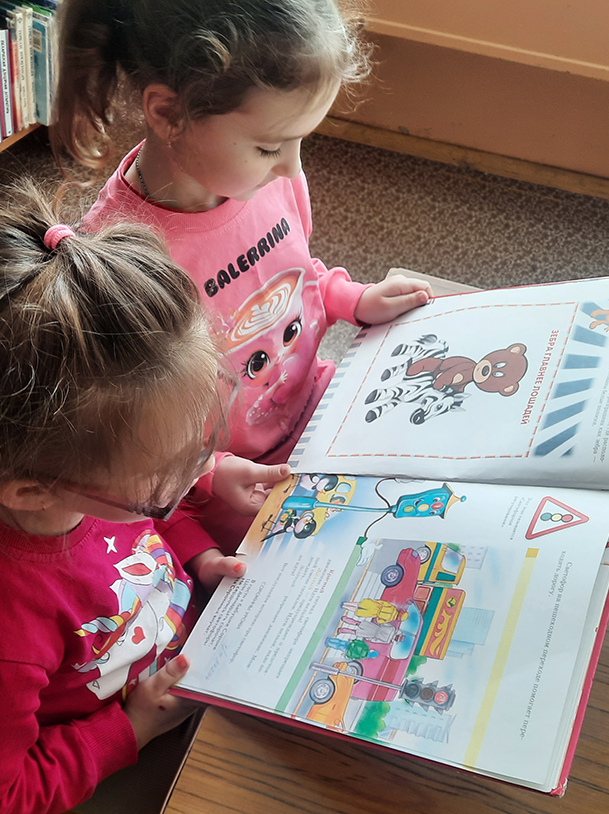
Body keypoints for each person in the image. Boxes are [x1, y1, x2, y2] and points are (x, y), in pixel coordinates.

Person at [0, 185, 248, 814]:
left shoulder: (72, 468)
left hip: (180, 656)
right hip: (104, 758)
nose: (195, 476)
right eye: (165, 478)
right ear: (31, 492)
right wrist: (129, 729)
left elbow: (135, 529)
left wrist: (197, 551)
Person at [51, 0, 433, 550]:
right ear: (167, 113)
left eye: (301, 141)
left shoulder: (264, 179)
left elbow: (295, 275)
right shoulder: (123, 261)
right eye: (270, 147)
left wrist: (351, 297)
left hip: (321, 411)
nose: (293, 167)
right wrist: (209, 474)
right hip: (228, 485)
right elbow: (132, 431)